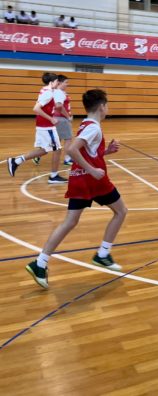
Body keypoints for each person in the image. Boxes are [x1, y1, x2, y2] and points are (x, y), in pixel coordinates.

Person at [25, 89, 127, 289]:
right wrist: (92, 169)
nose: (108, 108)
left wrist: (105, 152)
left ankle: (40, 263)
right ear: (101, 107)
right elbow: (71, 150)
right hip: (92, 180)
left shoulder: (86, 124)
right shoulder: (94, 128)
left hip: (79, 179)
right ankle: (103, 254)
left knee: (69, 222)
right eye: (107, 105)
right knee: (121, 211)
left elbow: (86, 151)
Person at [7, 72, 68, 183]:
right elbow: (36, 108)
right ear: (51, 82)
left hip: (42, 125)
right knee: (57, 149)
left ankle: (16, 161)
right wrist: (51, 118)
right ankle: (53, 177)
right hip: (47, 126)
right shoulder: (48, 93)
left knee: (44, 150)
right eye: (56, 81)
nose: (57, 83)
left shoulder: (45, 90)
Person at [53, 74, 73, 166]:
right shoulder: (58, 92)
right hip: (62, 118)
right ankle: (67, 159)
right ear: (60, 82)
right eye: (66, 82)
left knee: (58, 140)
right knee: (68, 139)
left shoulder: (61, 92)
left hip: (60, 118)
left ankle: (38, 155)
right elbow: (59, 107)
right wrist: (68, 116)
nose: (67, 84)